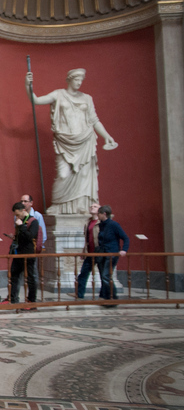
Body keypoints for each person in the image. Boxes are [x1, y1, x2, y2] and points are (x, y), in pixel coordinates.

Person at [26, 69, 118, 215]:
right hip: (65, 141)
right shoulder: (58, 94)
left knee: (83, 176)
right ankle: (58, 205)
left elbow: (94, 120)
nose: (79, 82)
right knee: (63, 174)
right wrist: (28, 85)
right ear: (69, 80)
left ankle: (82, 205)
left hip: (85, 139)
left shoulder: (87, 98)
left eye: (81, 80)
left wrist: (106, 136)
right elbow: (36, 100)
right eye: (76, 79)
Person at [9, 201, 39, 306]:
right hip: (18, 252)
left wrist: (21, 226)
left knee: (30, 277)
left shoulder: (33, 221)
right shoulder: (19, 221)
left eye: (18, 214)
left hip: (29, 253)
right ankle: (13, 298)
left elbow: (30, 236)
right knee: (14, 275)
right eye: (15, 215)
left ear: (24, 211)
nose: (16, 217)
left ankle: (32, 300)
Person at [97, 205, 129, 301]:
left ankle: (112, 297)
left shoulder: (113, 225)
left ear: (104, 214)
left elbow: (126, 238)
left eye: (99, 213)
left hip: (112, 253)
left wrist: (124, 250)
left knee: (106, 275)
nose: (98, 215)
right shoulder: (101, 225)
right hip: (103, 253)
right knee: (103, 275)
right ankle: (104, 295)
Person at [76, 203, 101, 299]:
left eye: (95, 206)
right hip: (89, 252)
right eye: (91, 206)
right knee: (83, 273)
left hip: (99, 252)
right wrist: (84, 251)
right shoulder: (88, 222)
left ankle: (110, 294)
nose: (92, 208)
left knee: (104, 275)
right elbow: (87, 238)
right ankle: (79, 294)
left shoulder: (101, 222)